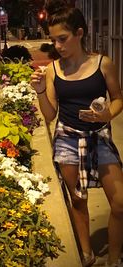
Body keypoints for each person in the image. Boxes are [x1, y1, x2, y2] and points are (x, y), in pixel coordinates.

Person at [30, 0, 123, 267]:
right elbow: (49, 115)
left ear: (79, 33)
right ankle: (86, 254)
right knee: (78, 201)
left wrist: (108, 115)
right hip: (68, 140)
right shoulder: (53, 70)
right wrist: (38, 91)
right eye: (53, 40)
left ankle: (114, 259)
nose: (57, 46)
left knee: (119, 203)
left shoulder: (103, 64)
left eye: (63, 38)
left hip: (99, 138)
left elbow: (118, 98)